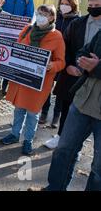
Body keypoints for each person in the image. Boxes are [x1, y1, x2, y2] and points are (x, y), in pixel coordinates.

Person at [0, 5, 65, 156]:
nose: (40, 16)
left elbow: (61, 62)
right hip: (21, 77)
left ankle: (28, 140)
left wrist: (52, 65)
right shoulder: (28, 29)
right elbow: (16, 47)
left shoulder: (57, 36)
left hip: (39, 81)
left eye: (44, 14)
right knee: (18, 109)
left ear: (51, 18)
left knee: (32, 112)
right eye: (39, 13)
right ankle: (15, 134)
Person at [46, 28, 101, 191]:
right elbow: (84, 51)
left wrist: (97, 67)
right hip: (82, 101)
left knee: (99, 167)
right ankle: (55, 188)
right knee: (64, 149)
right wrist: (82, 60)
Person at [44, 0, 101, 150]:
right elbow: (65, 47)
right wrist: (68, 65)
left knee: (89, 112)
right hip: (71, 72)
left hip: (95, 79)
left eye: (98, 6)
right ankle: (61, 136)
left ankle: (79, 143)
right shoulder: (77, 23)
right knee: (66, 105)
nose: (94, 8)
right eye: (91, 5)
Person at [39, 0, 80, 128]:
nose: (64, 6)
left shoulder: (77, 21)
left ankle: (56, 115)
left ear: (73, 5)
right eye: (62, 3)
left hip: (66, 60)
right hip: (51, 58)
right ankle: (44, 112)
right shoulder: (54, 17)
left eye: (67, 4)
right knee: (47, 87)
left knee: (61, 91)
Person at [0, 0, 36, 98]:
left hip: (18, 35)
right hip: (3, 32)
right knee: (1, 57)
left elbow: (29, 18)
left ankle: (5, 86)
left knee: (11, 60)